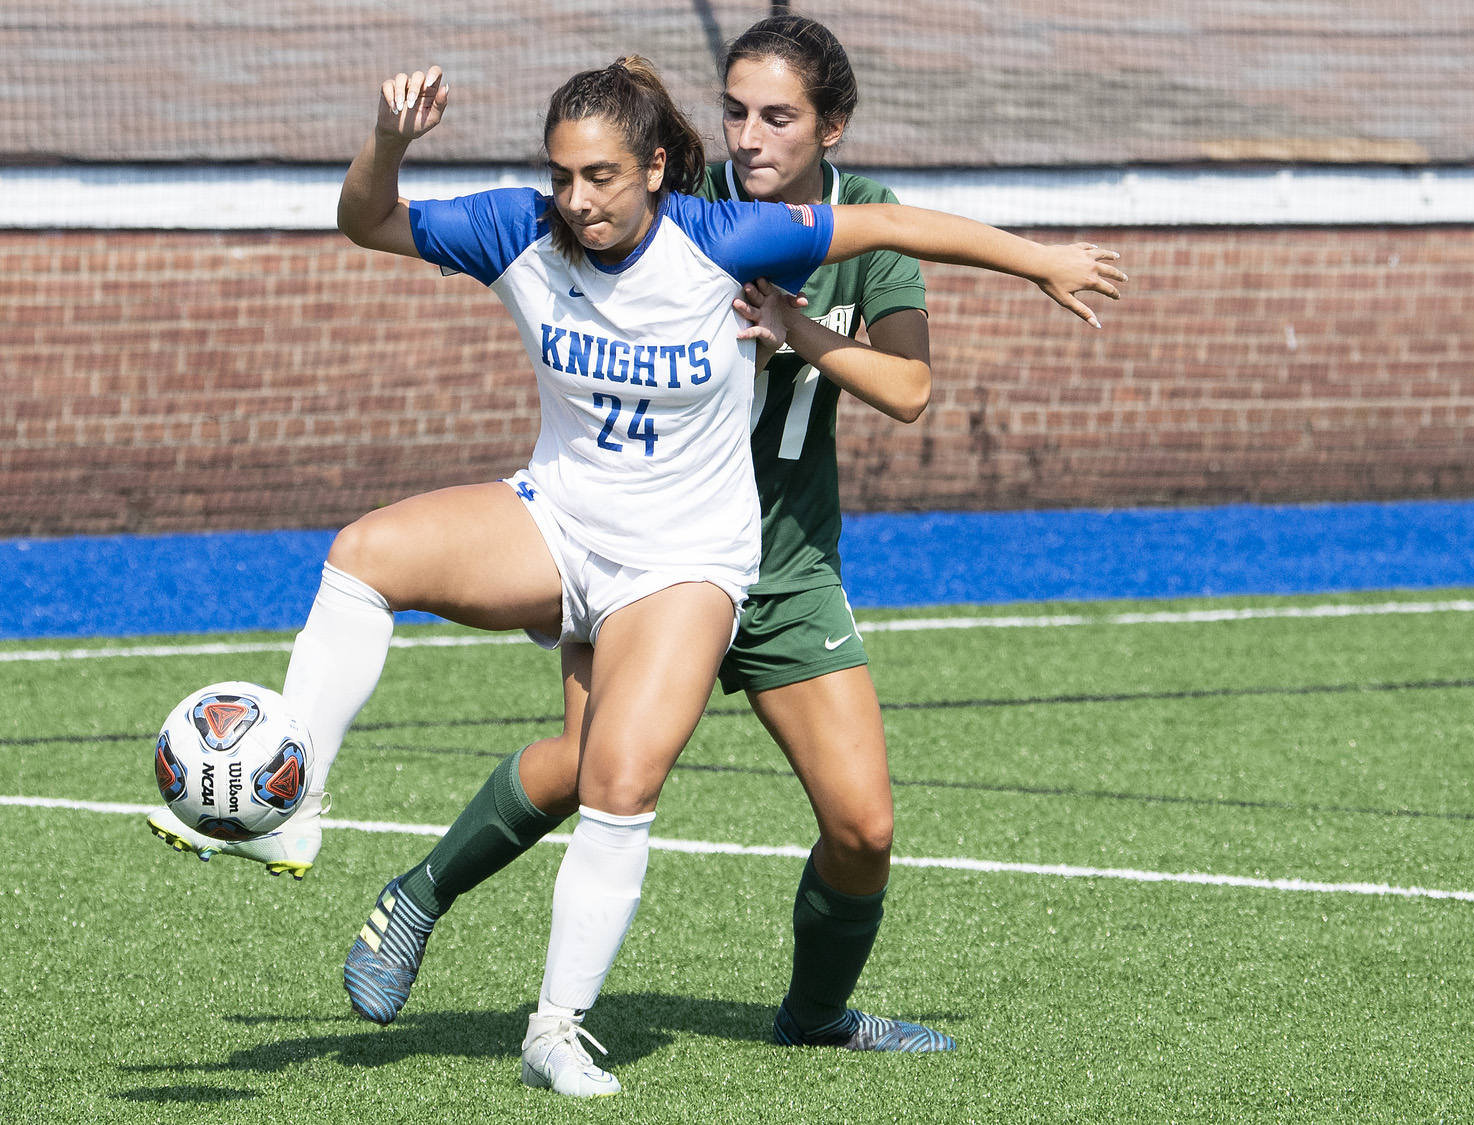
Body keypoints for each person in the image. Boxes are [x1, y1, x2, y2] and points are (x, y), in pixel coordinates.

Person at [155, 50, 1123, 1097]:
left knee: (663, 788)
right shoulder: (518, 225)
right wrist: (389, 140)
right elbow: (368, 221)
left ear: (662, 167)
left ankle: (571, 1030)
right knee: (365, 555)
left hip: (700, 562)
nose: (576, 200)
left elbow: (896, 252)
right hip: (562, 523)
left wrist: (1035, 260)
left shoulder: (732, 235)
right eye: (563, 176)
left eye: (600, 178)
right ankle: (289, 791)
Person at [340, 12, 1010, 1064]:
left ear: (831, 125)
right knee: (583, 768)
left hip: (781, 565)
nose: (749, 137)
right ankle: (416, 900)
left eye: (777, 117)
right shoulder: (675, 213)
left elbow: (909, 389)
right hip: (643, 553)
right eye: (736, 112)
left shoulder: (861, 222)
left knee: (863, 828)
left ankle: (816, 1016)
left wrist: (794, 329)